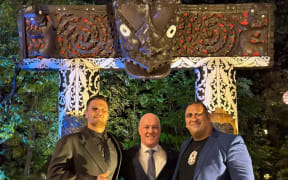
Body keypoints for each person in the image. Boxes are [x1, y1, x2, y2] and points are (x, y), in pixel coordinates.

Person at [172, 102, 254, 180]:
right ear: (186, 122)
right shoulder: (184, 145)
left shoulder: (230, 142)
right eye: (189, 115)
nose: (193, 119)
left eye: (198, 114)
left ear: (208, 117)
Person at [47, 95, 122, 180]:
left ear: (107, 115)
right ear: (86, 114)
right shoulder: (69, 141)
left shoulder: (116, 144)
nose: (99, 112)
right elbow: (53, 176)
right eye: (94, 109)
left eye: (103, 109)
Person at [120, 113, 178, 180]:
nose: (150, 131)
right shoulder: (126, 157)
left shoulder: (175, 157)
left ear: (160, 130)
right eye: (146, 127)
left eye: (155, 127)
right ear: (139, 130)